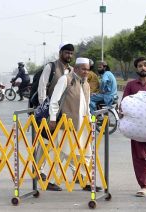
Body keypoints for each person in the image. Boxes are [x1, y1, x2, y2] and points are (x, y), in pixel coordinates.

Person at [45, 57, 102, 192]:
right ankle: (51, 181)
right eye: (83, 69)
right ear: (76, 68)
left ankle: (84, 180)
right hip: (67, 124)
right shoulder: (66, 79)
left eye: (87, 69)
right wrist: (52, 119)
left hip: (82, 125)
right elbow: (54, 101)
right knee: (62, 153)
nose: (85, 72)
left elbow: (87, 106)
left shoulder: (86, 84)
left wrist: (89, 121)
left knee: (85, 153)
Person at [121, 57, 146, 197]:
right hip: (137, 128)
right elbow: (124, 103)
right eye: (140, 66)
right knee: (139, 157)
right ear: (137, 69)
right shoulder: (131, 85)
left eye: (145, 65)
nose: (143, 68)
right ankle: (143, 186)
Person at [35, 42, 74, 181]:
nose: (69, 55)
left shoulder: (72, 71)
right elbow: (42, 86)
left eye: (71, 53)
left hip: (64, 113)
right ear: (60, 53)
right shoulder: (51, 67)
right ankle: (38, 169)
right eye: (66, 52)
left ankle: (77, 173)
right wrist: (44, 108)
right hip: (50, 112)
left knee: (67, 142)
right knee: (45, 141)